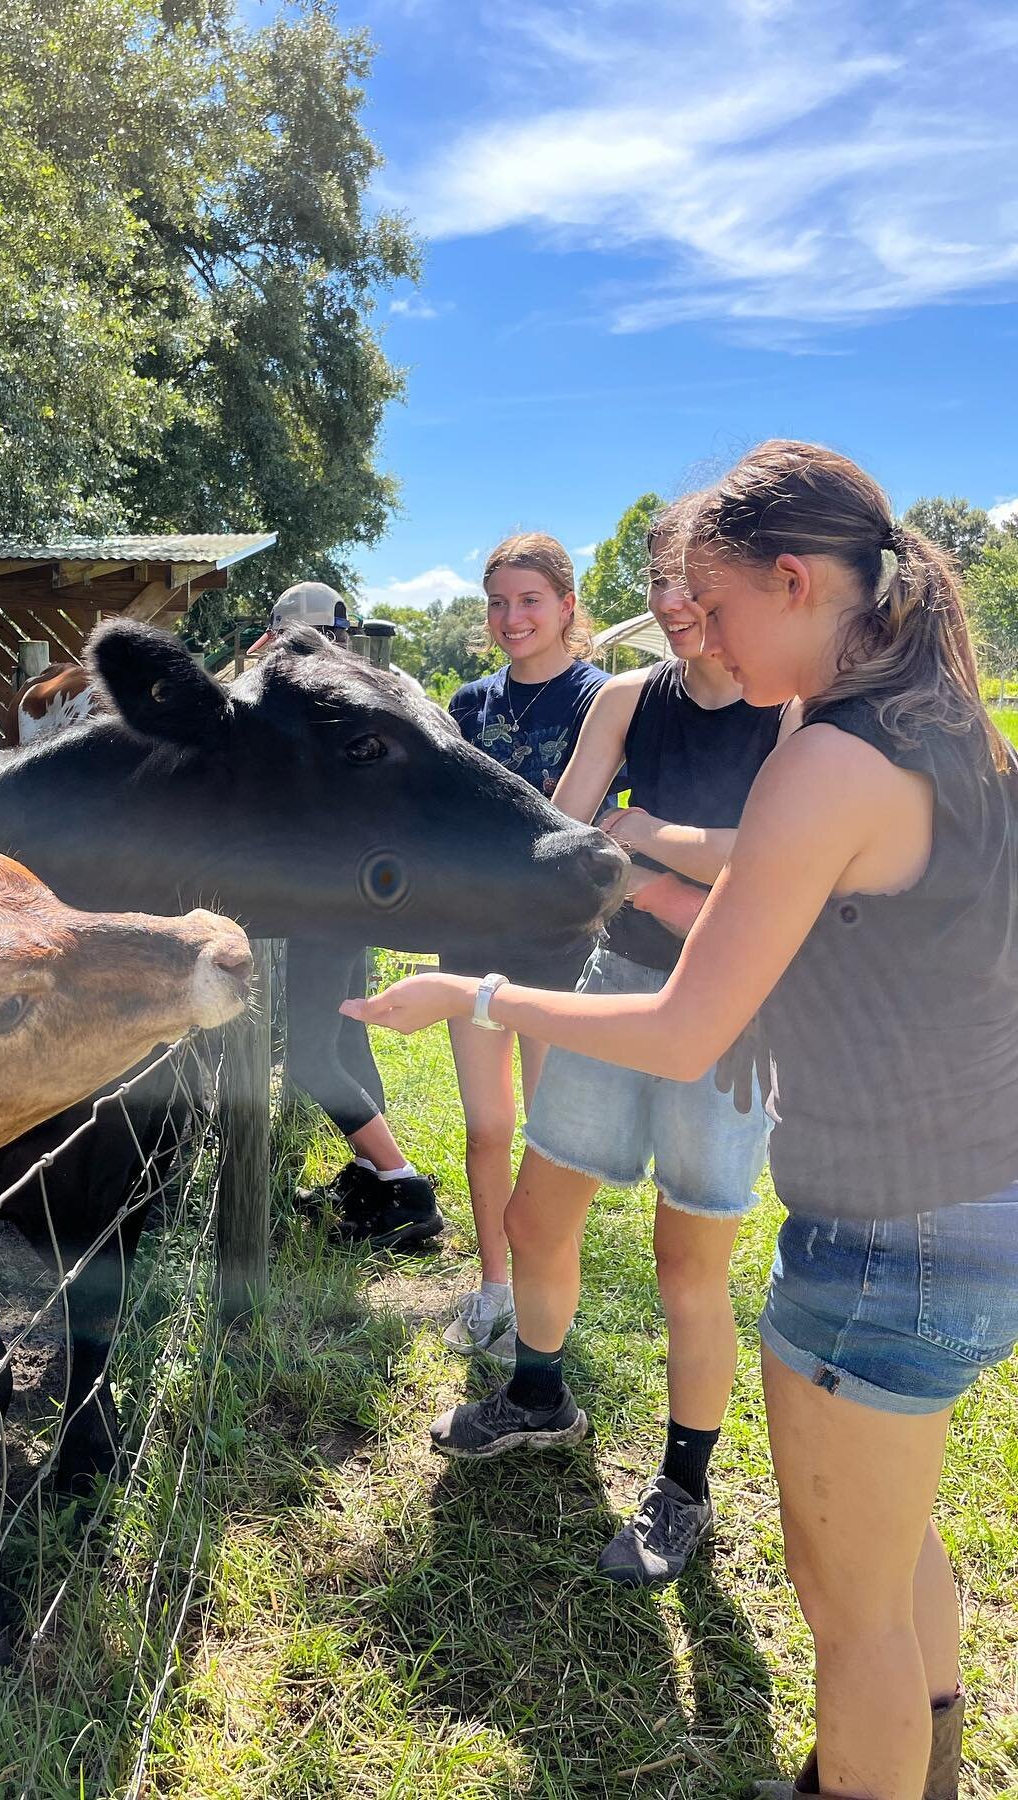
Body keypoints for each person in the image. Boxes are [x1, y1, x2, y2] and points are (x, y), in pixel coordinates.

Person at [344, 440, 1018, 1800]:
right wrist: (656, 843)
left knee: (852, 1611)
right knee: (897, 1553)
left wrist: (475, 995)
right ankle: (917, 1770)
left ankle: (873, 1776)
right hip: (969, 1202)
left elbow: (682, 1027)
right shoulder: (946, 726)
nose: (698, 636)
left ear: (792, 579)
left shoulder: (827, 754)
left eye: (714, 606)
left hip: (886, 1233)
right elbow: (769, 867)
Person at [422, 500, 799, 1585]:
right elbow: (563, 840)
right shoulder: (630, 701)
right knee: (542, 1213)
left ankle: (684, 1485)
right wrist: (664, 864)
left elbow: (776, 862)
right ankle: (539, 1395)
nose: (675, 604)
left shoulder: (788, 711)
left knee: (690, 1258)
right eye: (660, 580)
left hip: (728, 1004)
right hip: (615, 976)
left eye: (694, 581)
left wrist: (641, 840)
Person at [438, 534, 611, 1360]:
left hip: (558, 946)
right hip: (471, 936)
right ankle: (494, 1289)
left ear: (567, 606)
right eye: (500, 603)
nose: (513, 618)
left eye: (530, 600)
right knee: (486, 1128)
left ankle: (547, 1305)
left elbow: (602, 824)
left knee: (551, 1137)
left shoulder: (601, 699)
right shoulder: (469, 704)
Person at [260, 581, 444, 1248]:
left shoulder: (315, 700)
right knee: (347, 1033)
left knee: (310, 1053)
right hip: (365, 892)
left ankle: (403, 1188)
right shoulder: (385, 686)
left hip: (326, 897)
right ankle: (371, 1169)